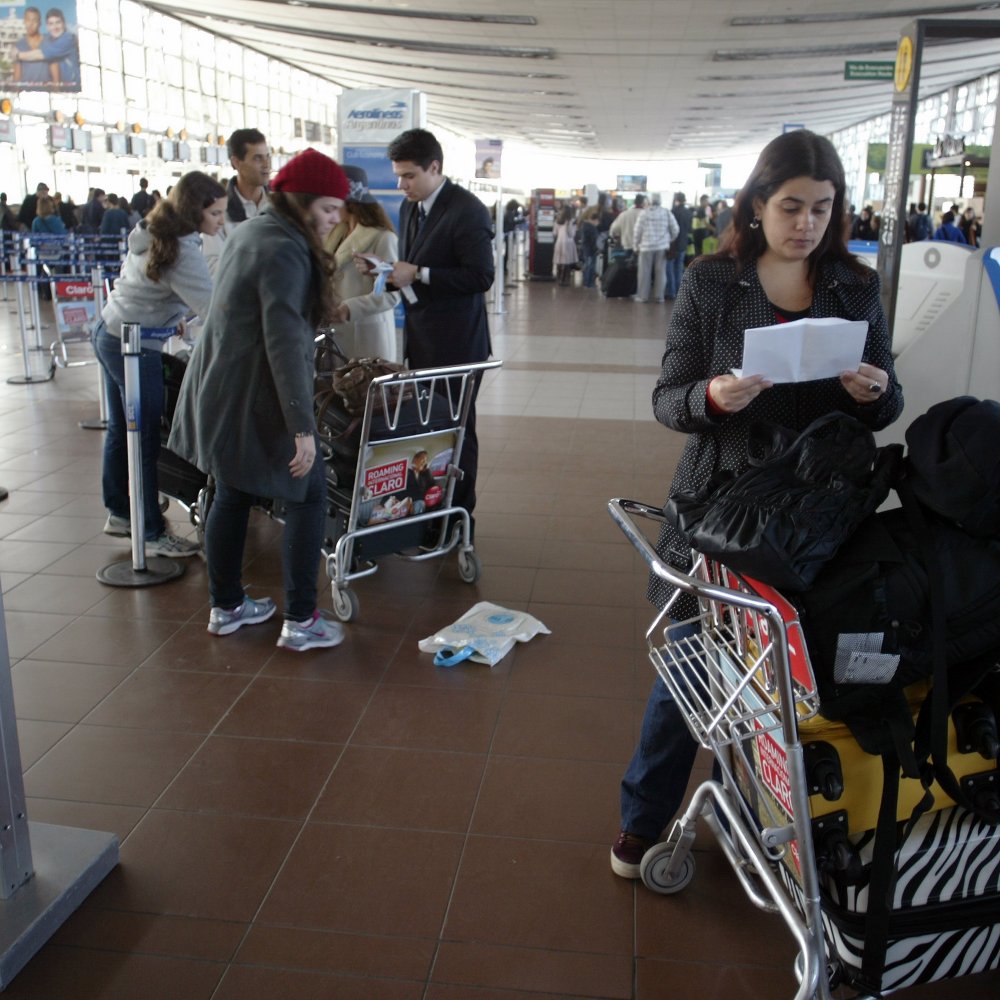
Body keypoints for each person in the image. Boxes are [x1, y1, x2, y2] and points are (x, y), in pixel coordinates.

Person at [611, 128, 903, 879]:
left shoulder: (856, 286)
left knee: (793, 673)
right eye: (790, 206)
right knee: (695, 661)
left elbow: (886, 401)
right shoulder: (714, 283)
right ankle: (645, 818)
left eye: (821, 207)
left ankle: (776, 812)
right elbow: (668, 399)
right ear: (756, 206)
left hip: (815, 514)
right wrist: (712, 394)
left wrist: (873, 394)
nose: (805, 222)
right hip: (722, 505)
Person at [168, 149, 349, 651]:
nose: (336, 219)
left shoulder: (253, 230)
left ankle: (226, 607)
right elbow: (285, 343)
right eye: (330, 208)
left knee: (231, 491)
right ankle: (302, 619)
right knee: (308, 494)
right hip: (255, 394)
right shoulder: (285, 249)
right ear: (305, 200)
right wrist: (302, 428)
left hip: (221, 388)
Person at [93, 171, 227, 558]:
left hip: (110, 330)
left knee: (123, 431)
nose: (220, 220)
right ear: (193, 211)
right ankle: (150, 530)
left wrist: (173, 313)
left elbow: (154, 287)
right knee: (144, 437)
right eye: (215, 213)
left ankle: (121, 510)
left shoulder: (154, 228)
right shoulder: (183, 251)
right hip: (134, 346)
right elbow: (216, 308)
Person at [380, 128, 494, 528]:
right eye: (397, 175)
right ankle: (432, 508)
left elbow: (481, 277)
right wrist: (393, 275)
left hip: (458, 343)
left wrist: (422, 273)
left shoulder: (468, 211)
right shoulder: (411, 208)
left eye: (409, 175)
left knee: (459, 428)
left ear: (434, 167)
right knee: (430, 427)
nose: (401, 184)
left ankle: (460, 516)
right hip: (422, 337)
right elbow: (413, 266)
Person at [325, 165, 400, 362]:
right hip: (336, 334)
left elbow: (392, 295)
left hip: (366, 336)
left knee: (363, 391)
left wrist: (349, 309)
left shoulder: (383, 238)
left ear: (348, 201)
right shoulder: (334, 234)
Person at [201, 127, 270, 276]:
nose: (266, 165)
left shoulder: (280, 206)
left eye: (267, 156)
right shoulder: (219, 212)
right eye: (258, 158)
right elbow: (212, 267)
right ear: (236, 163)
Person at [16, 8, 80, 89]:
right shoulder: (50, 40)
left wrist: (17, 55)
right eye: (51, 24)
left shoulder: (67, 39)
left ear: (64, 23)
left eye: (58, 22)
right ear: (47, 26)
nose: (55, 27)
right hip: (62, 89)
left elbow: (40, 54)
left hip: (73, 90)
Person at [633, 193, 678, 303]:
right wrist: (669, 239)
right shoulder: (666, 213)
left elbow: (637, 231)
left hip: (646, 247)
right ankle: (659, 297)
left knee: (644, 272)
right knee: (661, 272)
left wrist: (635, 245)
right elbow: (676, 229)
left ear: (650, 201)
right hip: (662, 247)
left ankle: (643, 296)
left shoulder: (644, 213)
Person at [12, 7, 52, 86]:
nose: (30, 24)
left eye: (34, 20)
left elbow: (54, 67)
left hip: (46, 91)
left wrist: (56, 91)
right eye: (28, 20)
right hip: (25, 92)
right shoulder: (19, 45)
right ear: (24, 21)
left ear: (40, 23)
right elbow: (17, 75)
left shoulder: (49, 41)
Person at [666, 192, 692, 299]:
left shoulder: (672, 212)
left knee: (670, 268)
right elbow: (690, 228)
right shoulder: (688, 212)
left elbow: (669, 228)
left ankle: (671, 292)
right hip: (683, 243)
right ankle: (679, 291)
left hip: (673, 244)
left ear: (676, 200)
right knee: (679, 268)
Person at [552, 204, 578, 285]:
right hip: (569, 243)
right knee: (567, 261)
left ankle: (559, 278)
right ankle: (565, 279)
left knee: (559, 260)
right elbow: (571, 234)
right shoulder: (572, 221)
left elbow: (554, 233)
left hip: (559, 241)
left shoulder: (557, 221)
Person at [577, 205, 600, 288]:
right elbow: (594, 240)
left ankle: (587, 282)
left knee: (587, 265)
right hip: (590, 250)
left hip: (586, 249)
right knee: (590, 266)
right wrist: (596, 249)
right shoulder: (591, 228)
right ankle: (589, 283)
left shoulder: (584, 225)